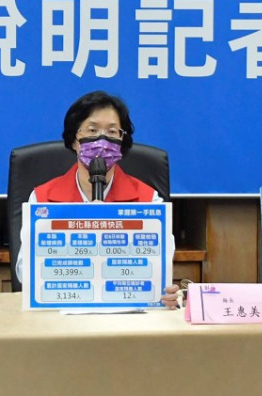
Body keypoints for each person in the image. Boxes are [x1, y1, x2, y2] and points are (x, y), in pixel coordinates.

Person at [17, 90, 180, 308]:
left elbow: (160, 269)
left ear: (122, 142)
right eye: (92, 130)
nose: (102, 141)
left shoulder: (149, 201)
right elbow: (24, 270)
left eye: (112, 132)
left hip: (129, 314)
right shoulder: (42, 198)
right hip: (59, 313)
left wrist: (166, 292)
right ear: (74, 140)